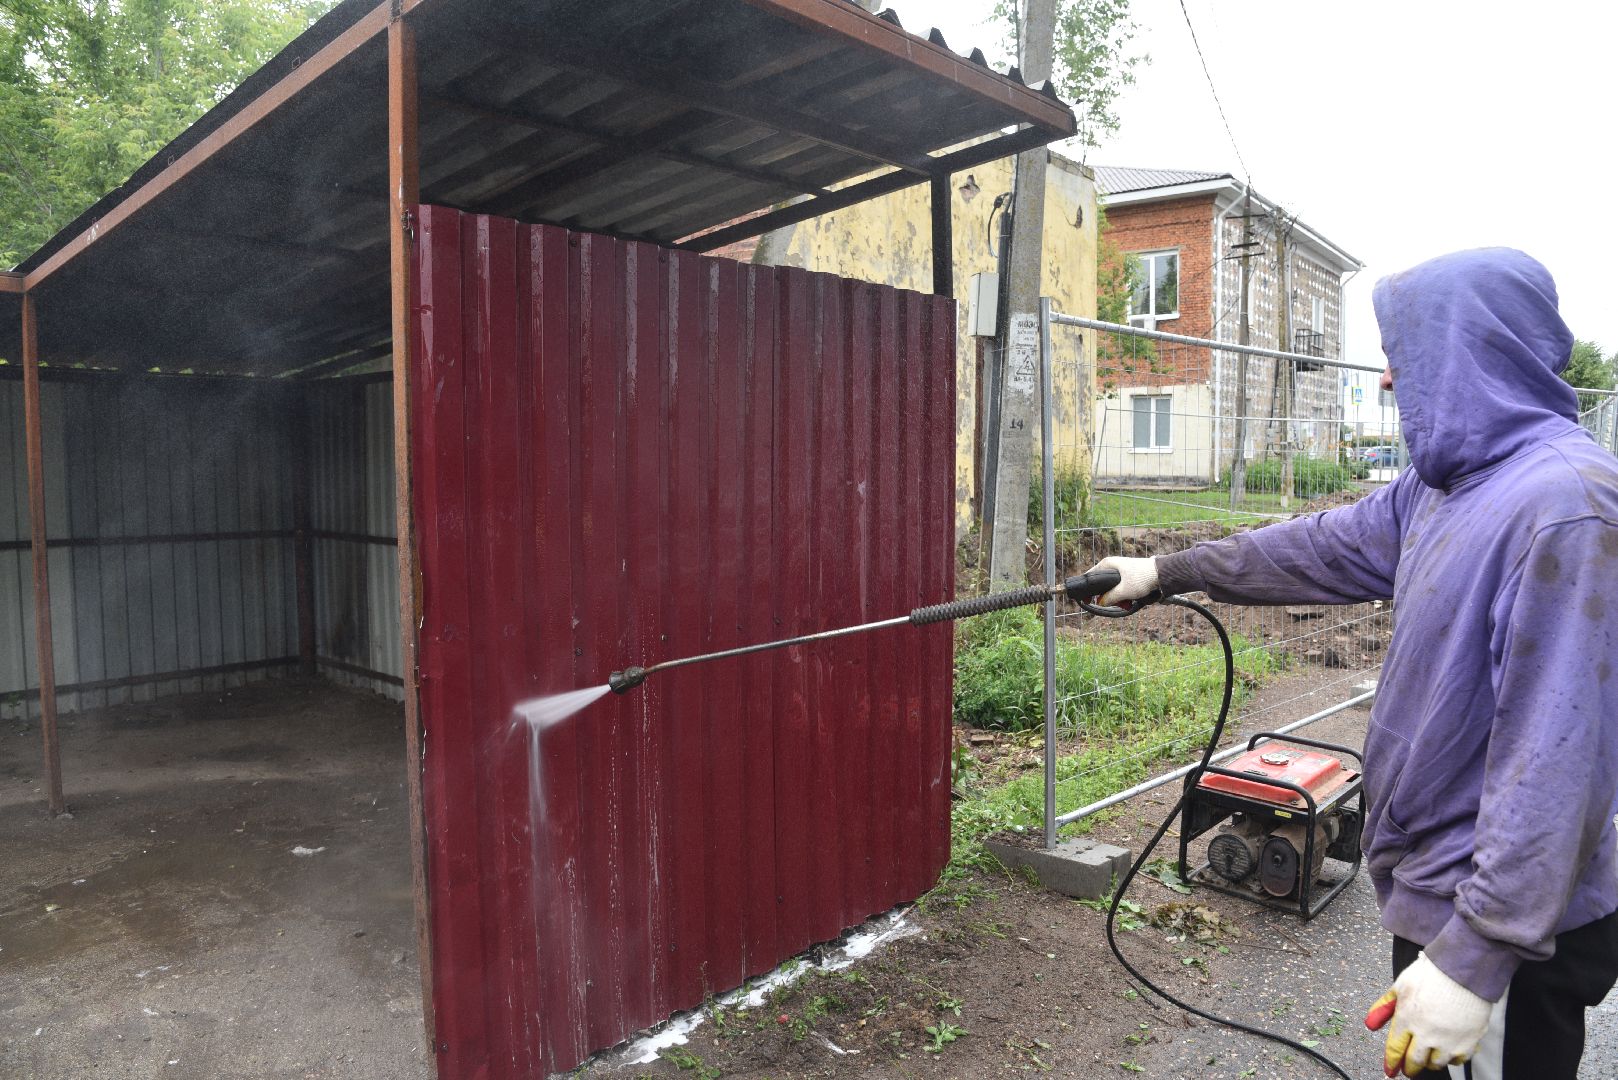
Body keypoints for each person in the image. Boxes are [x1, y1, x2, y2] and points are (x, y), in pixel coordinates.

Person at [1089, 248, 1618, 1079]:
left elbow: (1564, 761)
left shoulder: (1565, 508)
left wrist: (1477, 957)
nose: (1384, 381)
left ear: (1470, 353)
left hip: (1500, 932)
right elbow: (1318, 547)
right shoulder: (1448, 486)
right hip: (1442, 894)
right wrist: (1166, 572)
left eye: (1403, 358)